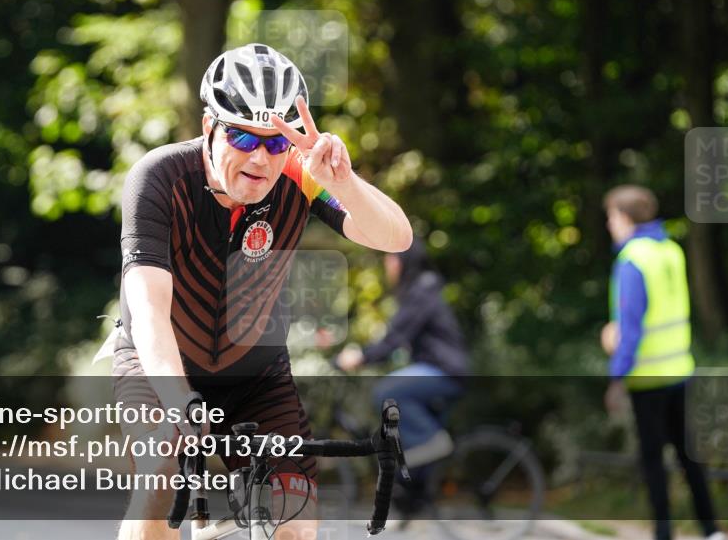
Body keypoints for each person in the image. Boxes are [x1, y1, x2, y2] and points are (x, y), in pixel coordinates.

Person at [107, 43, 413, 540]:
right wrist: (179, 402)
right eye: (245, 138)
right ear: (210, 128)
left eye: (275, 144)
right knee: (161, 473)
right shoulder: (160, 178)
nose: (262, 158)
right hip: (158, 363)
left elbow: (396, 237)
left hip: (256, 374)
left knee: (297, 520)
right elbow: (148, 313)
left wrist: (345, 181)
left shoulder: (300, 173)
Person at [602, 185, 723, 540]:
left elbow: (632, 326)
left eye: (611, 217)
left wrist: (616, 377)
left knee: (653, 462)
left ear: (625, 218)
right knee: (690, 456)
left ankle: (664, 533)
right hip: (679, 369)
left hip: (647, 377)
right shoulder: (670, 250)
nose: (610, 225)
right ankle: (711, 531)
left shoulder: (632, 259)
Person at [334, 237, 469, 498]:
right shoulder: (420, 289)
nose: (388, 264)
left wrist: (360, 357)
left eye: (391, 258)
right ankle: (413, 500)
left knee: (386, 394)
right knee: (407, 441)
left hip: (445, 372)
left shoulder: (421, 291)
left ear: (404, 261)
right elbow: (396, 340)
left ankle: (431, 440)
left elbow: (394, 339)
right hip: (437, 369)